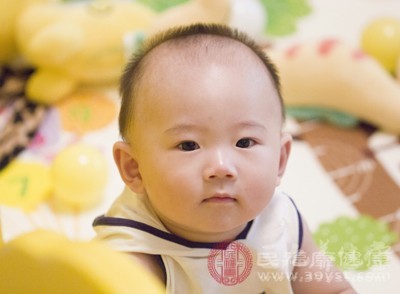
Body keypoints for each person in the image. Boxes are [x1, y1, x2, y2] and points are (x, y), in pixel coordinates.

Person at [93, 23, 355, 293]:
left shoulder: (280, 222)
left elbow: (332, 289)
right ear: (134, 168)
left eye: (244, 142)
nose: (220, 167)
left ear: (279, 160)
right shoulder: (131, 257)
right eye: (188, 145)